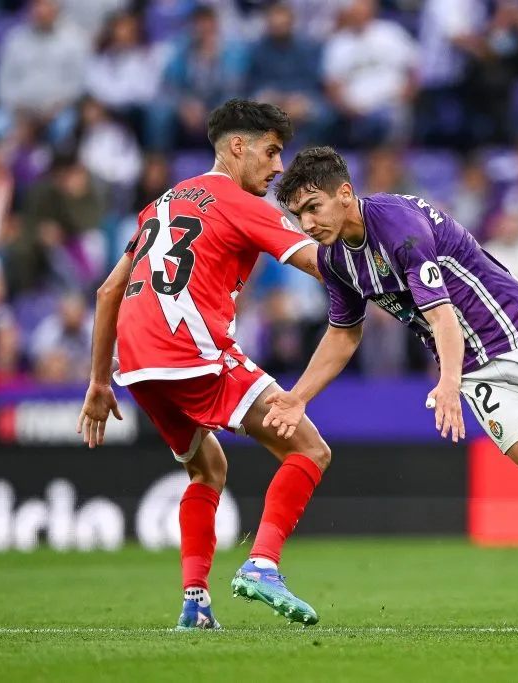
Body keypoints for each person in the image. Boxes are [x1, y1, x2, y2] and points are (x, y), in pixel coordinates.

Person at [264, 146, 518, 631]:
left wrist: (446, 383)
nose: (306, 223)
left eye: (312, 207)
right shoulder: (335, 260)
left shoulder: (399, 227)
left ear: (345, 194)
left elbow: (440, 314)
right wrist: (298, 396)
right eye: (296, 214)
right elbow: (344, 332)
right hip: (477, 371)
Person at [76, 100, 330, 630]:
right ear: (238, 147)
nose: (278, 166)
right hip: (189, 352)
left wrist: (100, 381)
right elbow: (319, 263)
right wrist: (390, 279)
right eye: (272, 151)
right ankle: (262, 566)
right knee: (309, 447)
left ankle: (195, 602)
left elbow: (107, 292)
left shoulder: (161, 204)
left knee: (207, 467)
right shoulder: (239, 202)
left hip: (138, 366)